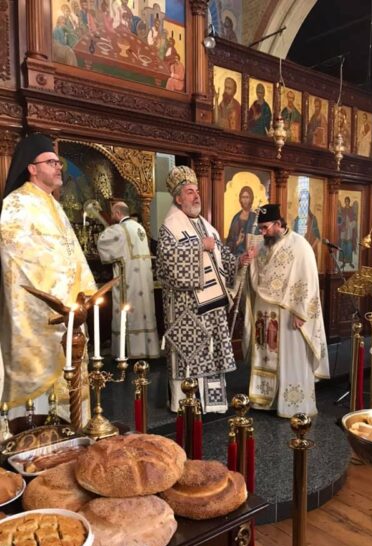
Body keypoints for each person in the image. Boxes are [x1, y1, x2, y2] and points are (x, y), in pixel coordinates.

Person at [0, 134, 97, 420]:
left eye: (58, 162)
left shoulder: (53, 204)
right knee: (40, 406)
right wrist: (61, 296)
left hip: (69, 312)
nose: (58, 167)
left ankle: (73, 434)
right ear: (32, 168)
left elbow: (73, 253)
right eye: (51, 162)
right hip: (40, 316)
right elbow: (19, 259)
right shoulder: (16, 204)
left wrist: (84, 293)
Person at [157, 166, 253, 413]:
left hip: (212, 308)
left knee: (211, 355)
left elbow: (221, 257)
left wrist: (239, 261)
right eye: (190, 192)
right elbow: (167, 263)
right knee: (189, 354)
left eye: (197, 191)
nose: (196, 196)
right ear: (178, 198)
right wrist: (199, 246)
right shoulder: (170, 227)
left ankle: (213, 404)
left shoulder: (207, 227)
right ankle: (184, 403)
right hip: (186, 308)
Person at [245, 203, 329, 418]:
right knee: (266, 355)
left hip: (289, 314)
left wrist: (301, 312)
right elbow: (257, 278)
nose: (262, 233)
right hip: (265, 313)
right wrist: (249, 261)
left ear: (278, 224)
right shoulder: (262, 246)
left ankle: (293, 405)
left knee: (290, 359)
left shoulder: (299, 245)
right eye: (260, 228)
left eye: (265, 228)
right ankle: (268, 401)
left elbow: (309, 279)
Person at [97, 201, 160, 360]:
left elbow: (102, 242)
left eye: (113, 213)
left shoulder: (119, 229)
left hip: (128, 280)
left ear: (118, 213)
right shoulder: (140, 228)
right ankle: (146, 349)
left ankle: (127, 352)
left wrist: (107, 228)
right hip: (143, 281)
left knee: (128, 312)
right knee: (144, 312)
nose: (112, 217)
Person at [226, 186, 257, 256]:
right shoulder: (236, 218)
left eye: (247, 197)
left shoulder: (255, 217)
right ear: (240, 199)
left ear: (251, 199)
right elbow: (229, 242)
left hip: (252, 255)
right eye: (243, 197)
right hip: (238, 255)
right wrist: (237, 241)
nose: (245, 200)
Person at [337, 196, 358, 270]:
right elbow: (339, 220)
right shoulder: (342, 210)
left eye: (347, 201)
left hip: (349, 231)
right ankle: (343, 262)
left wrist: (350, 224)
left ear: (349, 202)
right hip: (343, 231)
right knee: (343, 246)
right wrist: (341, 225)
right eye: (345, 201)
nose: (346, 203)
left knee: (349, 247)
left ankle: (350, 262)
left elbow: (355, 221)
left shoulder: (352, 210)